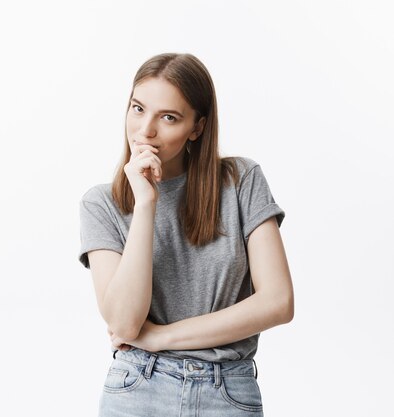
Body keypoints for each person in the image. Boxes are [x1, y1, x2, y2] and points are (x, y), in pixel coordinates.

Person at [77, 53, 294, 417]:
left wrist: (162, 337)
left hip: (227, 391)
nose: (145, 130)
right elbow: (125, 323)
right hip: (138, 388)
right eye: (137, 108)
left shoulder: (240, 181)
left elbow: (278, 303)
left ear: (197, 127)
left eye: (168, 117)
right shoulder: (101, 204)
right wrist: (146, 204)